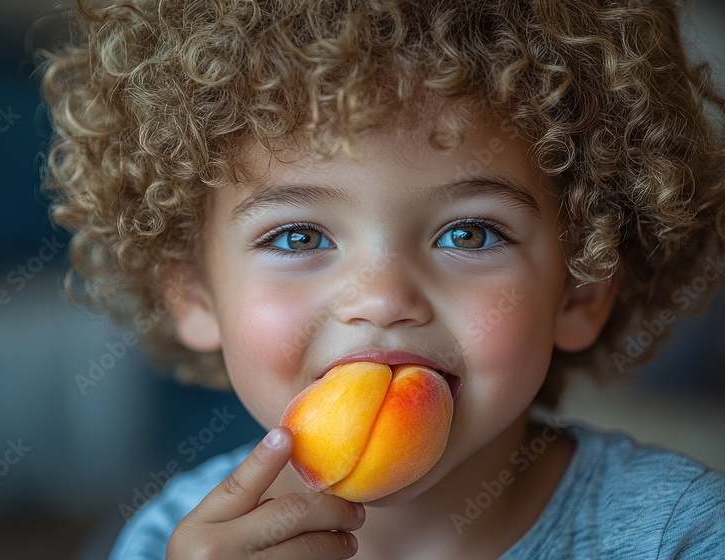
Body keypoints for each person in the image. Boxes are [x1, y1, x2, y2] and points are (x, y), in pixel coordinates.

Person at [38, 0, 725, 557]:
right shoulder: (171, 541)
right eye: (299, 236)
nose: (382, 298)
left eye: (469, 233)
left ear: (580, 291)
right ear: (192, 293)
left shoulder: (678, 534)